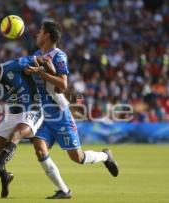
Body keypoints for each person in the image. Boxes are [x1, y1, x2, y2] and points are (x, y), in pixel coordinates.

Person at [25, 21, 119, 199]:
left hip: (60, 113)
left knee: (77, 157)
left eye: (39, 31)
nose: (37, 34)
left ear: (47, 36)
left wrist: (41, 73)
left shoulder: (59, 56)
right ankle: (64, 191)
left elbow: (63, 84)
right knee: (39, 148)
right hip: (43, 115)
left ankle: (105, 156)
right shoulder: (36, 55)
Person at [0, 56, 44, 198]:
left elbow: (37, 59)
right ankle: (5, 178)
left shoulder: (11, 65)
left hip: (33, 109)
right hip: (13, 114)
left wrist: (40, 69)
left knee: (16, 134)